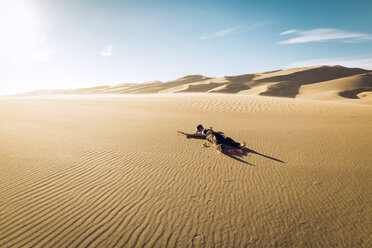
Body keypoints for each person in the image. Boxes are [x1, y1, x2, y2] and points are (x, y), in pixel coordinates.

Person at [178, 124, 245, 152]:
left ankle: (239, 146)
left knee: (227, 139)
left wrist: (211, 128)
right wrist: (182, 133)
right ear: (199, 129)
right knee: (214, 140)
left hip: (215, 133)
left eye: (201, 126)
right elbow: (191, 134)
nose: (202, 127)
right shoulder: (200, 133)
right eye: (200, 127)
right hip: (209, 136)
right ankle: (219, 148)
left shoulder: (207, 128)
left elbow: (211, 129)